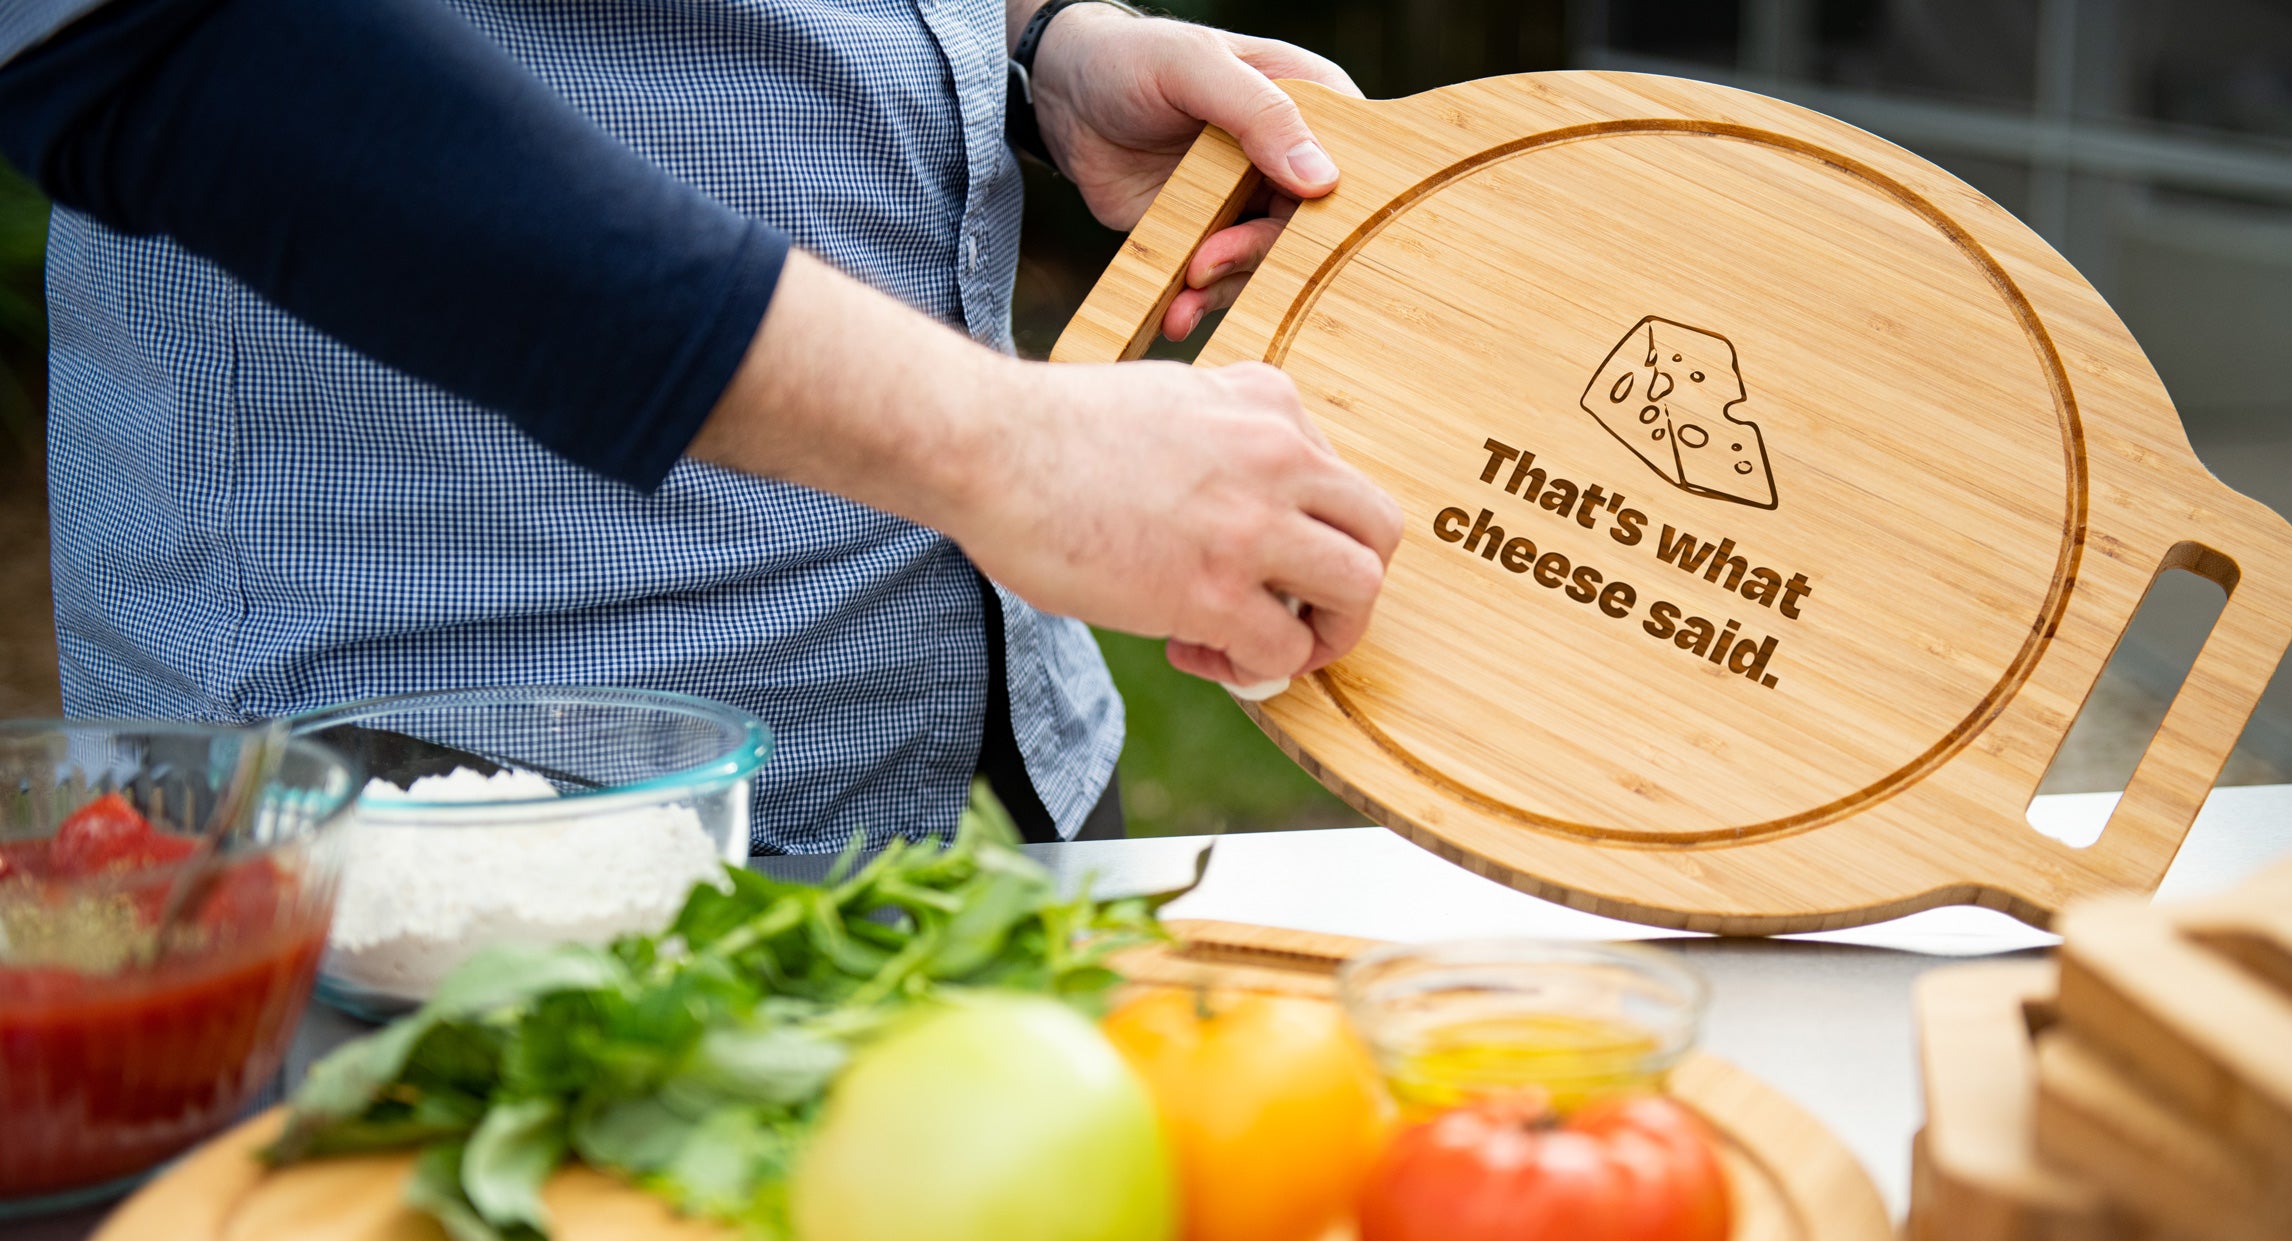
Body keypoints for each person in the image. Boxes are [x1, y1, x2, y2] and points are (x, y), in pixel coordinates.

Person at [0, 0, 1400, 849]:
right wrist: (1000, 445)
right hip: (449, 818)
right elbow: (177, 49)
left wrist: (1032, 42)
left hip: (991, 768)